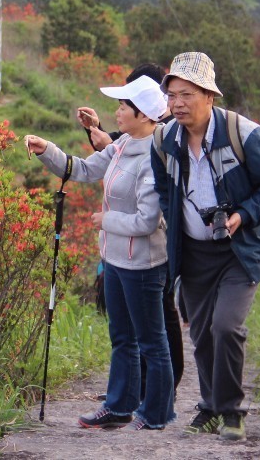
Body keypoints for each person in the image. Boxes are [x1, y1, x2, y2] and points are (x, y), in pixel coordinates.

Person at [150, 52, 260, 442]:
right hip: (193, 251)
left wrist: (242, 215)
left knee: (226, 326)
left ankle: (231, 411)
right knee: (202, 334)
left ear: (210, 96)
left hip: (240, 249)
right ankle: (211, 406)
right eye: (172, 95)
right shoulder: (164, 139)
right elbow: (164, 189)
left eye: (187, 94)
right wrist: (174, 219)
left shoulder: (242, 134)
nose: (177, 103)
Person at [24, 75, 176, 431]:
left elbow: (147, 221)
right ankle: (119, 406)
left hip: (143, 264)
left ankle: (156, 414)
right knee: (121, 337)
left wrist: (106, 220)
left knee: (152, 341)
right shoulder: (122, 146)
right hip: (115, 259)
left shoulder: (154, 156)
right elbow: (83, 168)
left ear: (142, 115)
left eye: (123, 107)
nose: (117, 112)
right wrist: (47, 150)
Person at [76, 64, 185, 394]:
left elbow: (136, 155)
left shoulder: (168, 132)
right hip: (133, 244)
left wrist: (106, 220)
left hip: (157, 242)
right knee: (139, 321)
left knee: (159, 317)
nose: (123, 106)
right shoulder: (147, 130)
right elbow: (124, 147)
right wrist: (102, 135)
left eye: (127, 102)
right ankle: (137, 387)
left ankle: (160, 387)